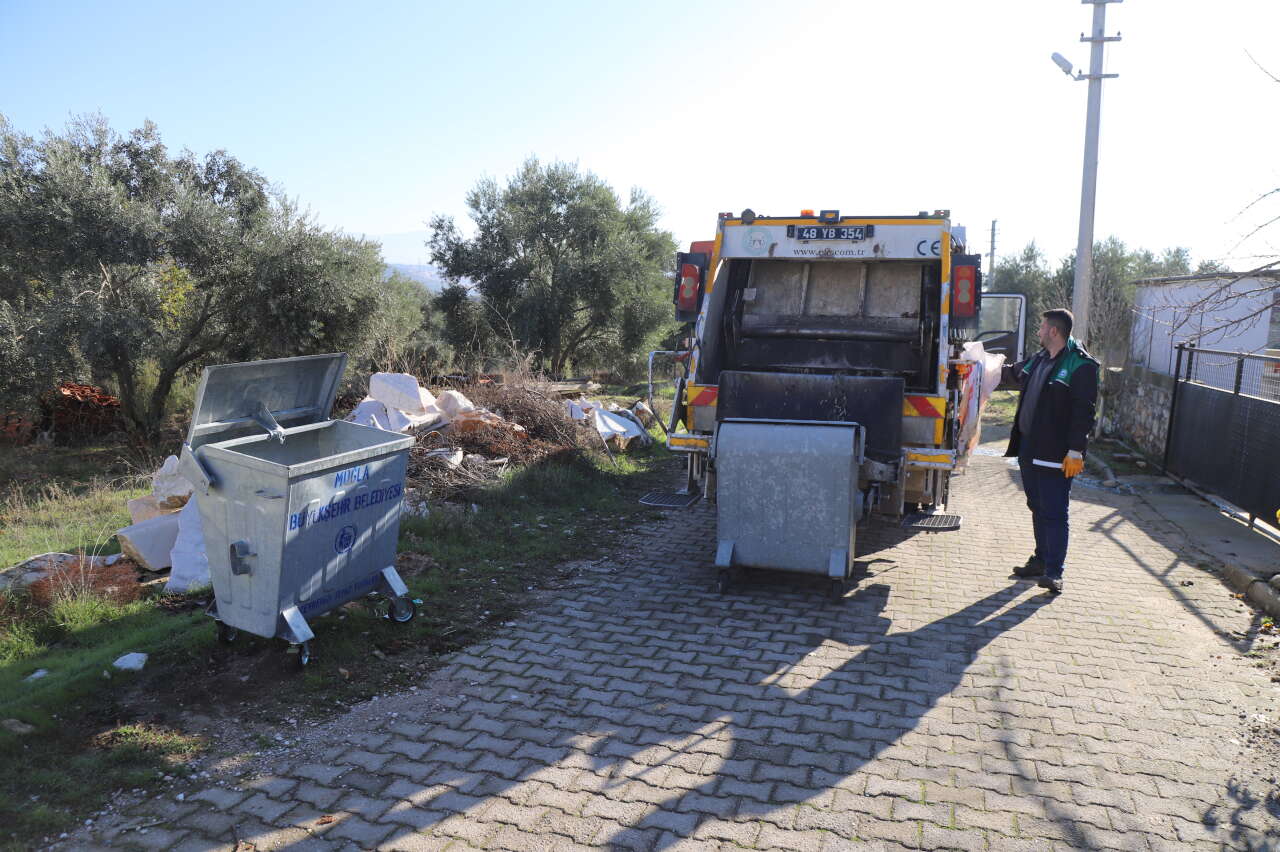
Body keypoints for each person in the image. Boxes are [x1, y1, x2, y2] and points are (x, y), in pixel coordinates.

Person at [1003, 308, 1099, 594]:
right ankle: (1041, 560)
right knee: (1037, 505)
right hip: (1029, 446)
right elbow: (1012, 374)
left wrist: (1076, 450)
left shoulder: (1081, 365)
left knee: (1055, 511)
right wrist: (977, 365)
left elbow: (1084, 411)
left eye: (1042, 327)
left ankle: (1055, 572)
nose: (1039, 331)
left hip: (1056, 452)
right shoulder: (1040, 358)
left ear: (1054, 331)